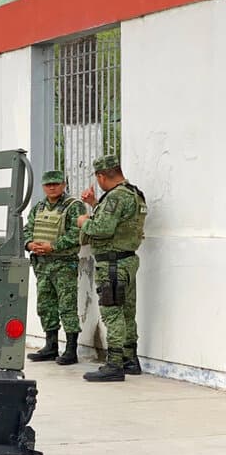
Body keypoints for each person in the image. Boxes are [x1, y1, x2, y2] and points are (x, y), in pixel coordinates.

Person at [77, 155, 147, 382]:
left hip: (112, 264)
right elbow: (121, 222)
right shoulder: (134, 193)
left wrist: (84, 222)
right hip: (127, 260)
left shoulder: (115, 197)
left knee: (112, 312)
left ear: (101, 176)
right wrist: (96, 204)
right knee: (127, 312)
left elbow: (103, 228)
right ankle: (130, 360)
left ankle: (114, 364)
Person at [23, 169, 86, 365]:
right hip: (42, 265)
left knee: (67, 307)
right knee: (45, 306)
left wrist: (53, 246)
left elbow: (77, 233)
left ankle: (71, 349)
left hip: (63, 265)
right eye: (48, 184)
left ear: (63, 185)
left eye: (56, 184)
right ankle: (50, 346)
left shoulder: (74, 206)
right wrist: (29, 244)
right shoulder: (39, 207)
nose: (52, 187)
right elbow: (27, 230)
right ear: (43, 186)